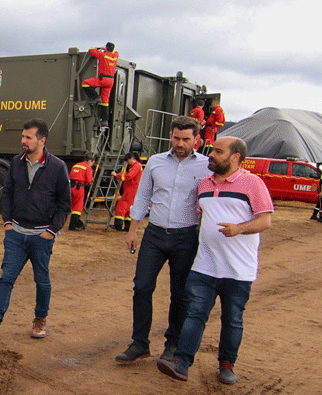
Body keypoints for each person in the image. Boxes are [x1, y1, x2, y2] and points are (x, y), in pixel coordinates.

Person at [157, 136, 273, 385]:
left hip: (238, 269)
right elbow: (202, 220)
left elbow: (265, 220)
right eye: (211, 150)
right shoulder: (204, 184)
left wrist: (239, 229)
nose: (211, 155)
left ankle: (227, 364)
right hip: (204, 266)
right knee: (194, 313)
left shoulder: (253, 183)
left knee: (232, 319)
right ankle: (181, 362)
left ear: (235, 157)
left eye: (218, 152)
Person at [116, 116, 211, 364]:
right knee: (142, 287)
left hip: (186, 238)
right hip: (155, 235)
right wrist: (132, 230)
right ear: (171, 136)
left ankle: (173, 345)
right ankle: (140, 343)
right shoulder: (156, 162)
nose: (180, 144)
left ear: (196, 139)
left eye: (186, 139)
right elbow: (142, 195)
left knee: (180, 294)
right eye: (176, 138)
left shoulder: (206, 167)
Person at [0, 119, 72, 340]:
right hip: (16, 234)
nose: (23, 141)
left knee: (42, 281)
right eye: (23, 136)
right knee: (6, 278)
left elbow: (65, 204)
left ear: (42, 140)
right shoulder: (17, 163)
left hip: (41, 236)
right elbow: (7, 194)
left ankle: (40, 320)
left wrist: (51, 231)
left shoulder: (57, 167)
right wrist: (8, 223)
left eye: (28, 137)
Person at [110, 152, 143, 231]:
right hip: (132, 189)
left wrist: (117, 175)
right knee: (129, 208)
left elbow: (129, 176)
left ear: (132, 158)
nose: (127, 162)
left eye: (128, 160)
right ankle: (128, 226)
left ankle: (118, 225)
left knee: (121, 206)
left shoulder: (136, 166)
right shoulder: (136, 166)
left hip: (131, 189)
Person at [81, 42, 119, 107]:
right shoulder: (115, 56)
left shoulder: (102, 55)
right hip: (111, 81)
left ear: (106, 48)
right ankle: (104, 114)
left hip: (103, 79)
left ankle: (96, 97)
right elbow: (116, 52)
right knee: (105, 102)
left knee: (85, 83)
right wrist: (107, 49)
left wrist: (99, 48)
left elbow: (91, 50)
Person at [68, 154, 95, 231]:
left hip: (71, 187)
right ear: (90, 161)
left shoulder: (75, 165)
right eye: (92, 163)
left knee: (73, 205)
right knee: (78, 207)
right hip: (79, 188)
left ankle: (78, 223)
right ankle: (73, 226)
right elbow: (89, 180)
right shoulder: (87, 167)